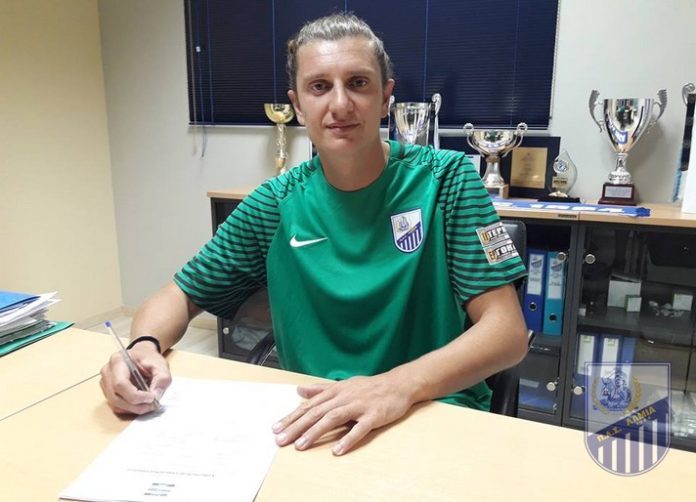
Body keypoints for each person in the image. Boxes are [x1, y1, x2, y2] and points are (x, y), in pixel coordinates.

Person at [100, 13, 528, 456]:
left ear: (386, 97)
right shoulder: (274, 204)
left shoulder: (447, 180)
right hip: (317, 422)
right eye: (319, 87)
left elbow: (507, 333)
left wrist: (394, 386)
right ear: (298, 106)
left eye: (358, 83)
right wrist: (143, 346)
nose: (340, 104)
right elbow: (178, 295)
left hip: (430, 409)